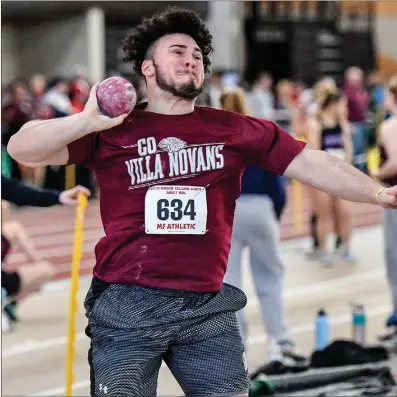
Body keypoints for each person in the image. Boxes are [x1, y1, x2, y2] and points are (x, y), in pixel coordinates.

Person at [7, 7, 397, 397]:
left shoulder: (233, 128)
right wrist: (86, 121)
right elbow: (22, 148)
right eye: (178, 51)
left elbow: (313, 163)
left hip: (206, 304)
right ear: (147, 68)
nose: (191, 60)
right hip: (127, 299)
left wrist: (379, 193)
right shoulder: (113, 131)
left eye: (197, 55)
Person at [220, 90, 308, 372]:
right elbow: (276, 181)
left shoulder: (215, 138)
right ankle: (280, 343)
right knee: (270, 279)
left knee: (229, 285)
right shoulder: (256, 133)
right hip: (259, 207)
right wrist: (275, 214)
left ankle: (236, 351)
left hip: (228, 211)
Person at [1, 176, 90, 329]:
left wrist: (59, 197)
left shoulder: (11, 229)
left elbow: (16, 191)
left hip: (4, 280)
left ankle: (8, 304)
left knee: (45, 269)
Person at [306, 90, 355, 265]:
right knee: (324, 214)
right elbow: (315, 150)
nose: (345, 108)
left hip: (340, 174)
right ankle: (323, 249)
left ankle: (346, 248)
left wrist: (346, 169)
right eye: (343, 104)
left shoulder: (342, 123)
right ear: (334, 104)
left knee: (346, 213)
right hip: (323, 175)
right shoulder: (316, 122)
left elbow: (348, 148)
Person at [374, 75, 397, 346]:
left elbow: (395, 162)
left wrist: (375, 172)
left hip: (394, 196)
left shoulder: (391, 126)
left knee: (394, 260)